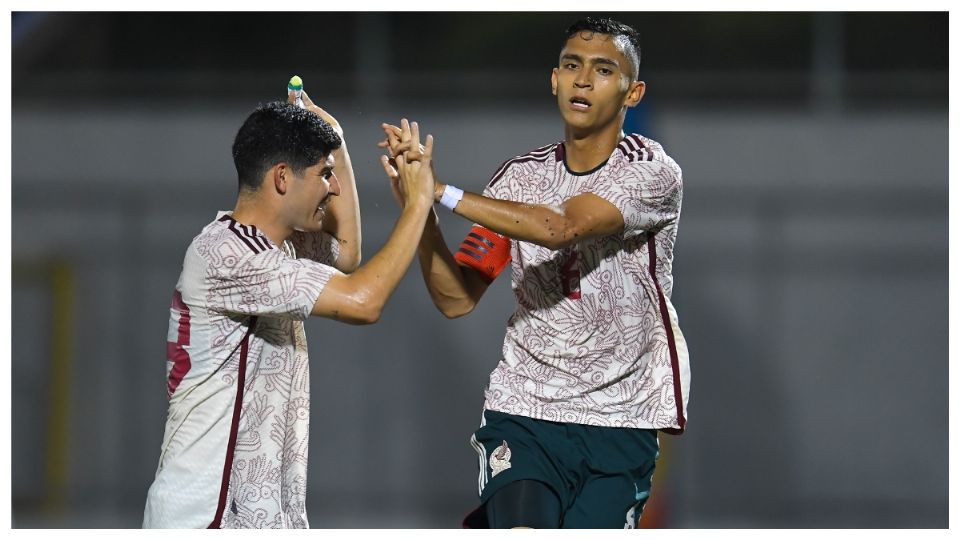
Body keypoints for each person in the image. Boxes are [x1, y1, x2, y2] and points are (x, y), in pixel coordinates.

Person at [381, 17, 690, 528]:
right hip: (525, 410)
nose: (583, 81)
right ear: (554, 79)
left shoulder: (652, 172)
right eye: (572, 66)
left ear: (632, 92)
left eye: (603, 69)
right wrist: (422, 214)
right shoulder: (517, 179)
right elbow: (456, 298)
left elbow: (562, 227)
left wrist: (441, 190)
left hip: (620, 417)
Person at [143, 89, 436, 528]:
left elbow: (348, 253)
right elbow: (363, 300)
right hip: (208, 516)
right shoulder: (228, 254)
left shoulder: (277, 247)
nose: (333, 189)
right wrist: (419, 203)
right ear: (282, 178)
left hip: (257, 516)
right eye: (325, 175)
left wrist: (334, 140)